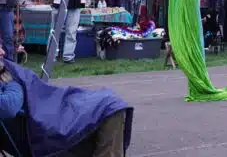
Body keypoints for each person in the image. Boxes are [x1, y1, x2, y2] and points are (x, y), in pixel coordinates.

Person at [0, 46, 133, 156]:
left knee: (110, 103)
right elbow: (7, 107)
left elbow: (34, 86)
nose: (3, 52)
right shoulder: (6, 76)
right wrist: (12, 84)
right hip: (40, 122)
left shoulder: (4, 69)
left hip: (49, 102)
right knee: (109, 107)